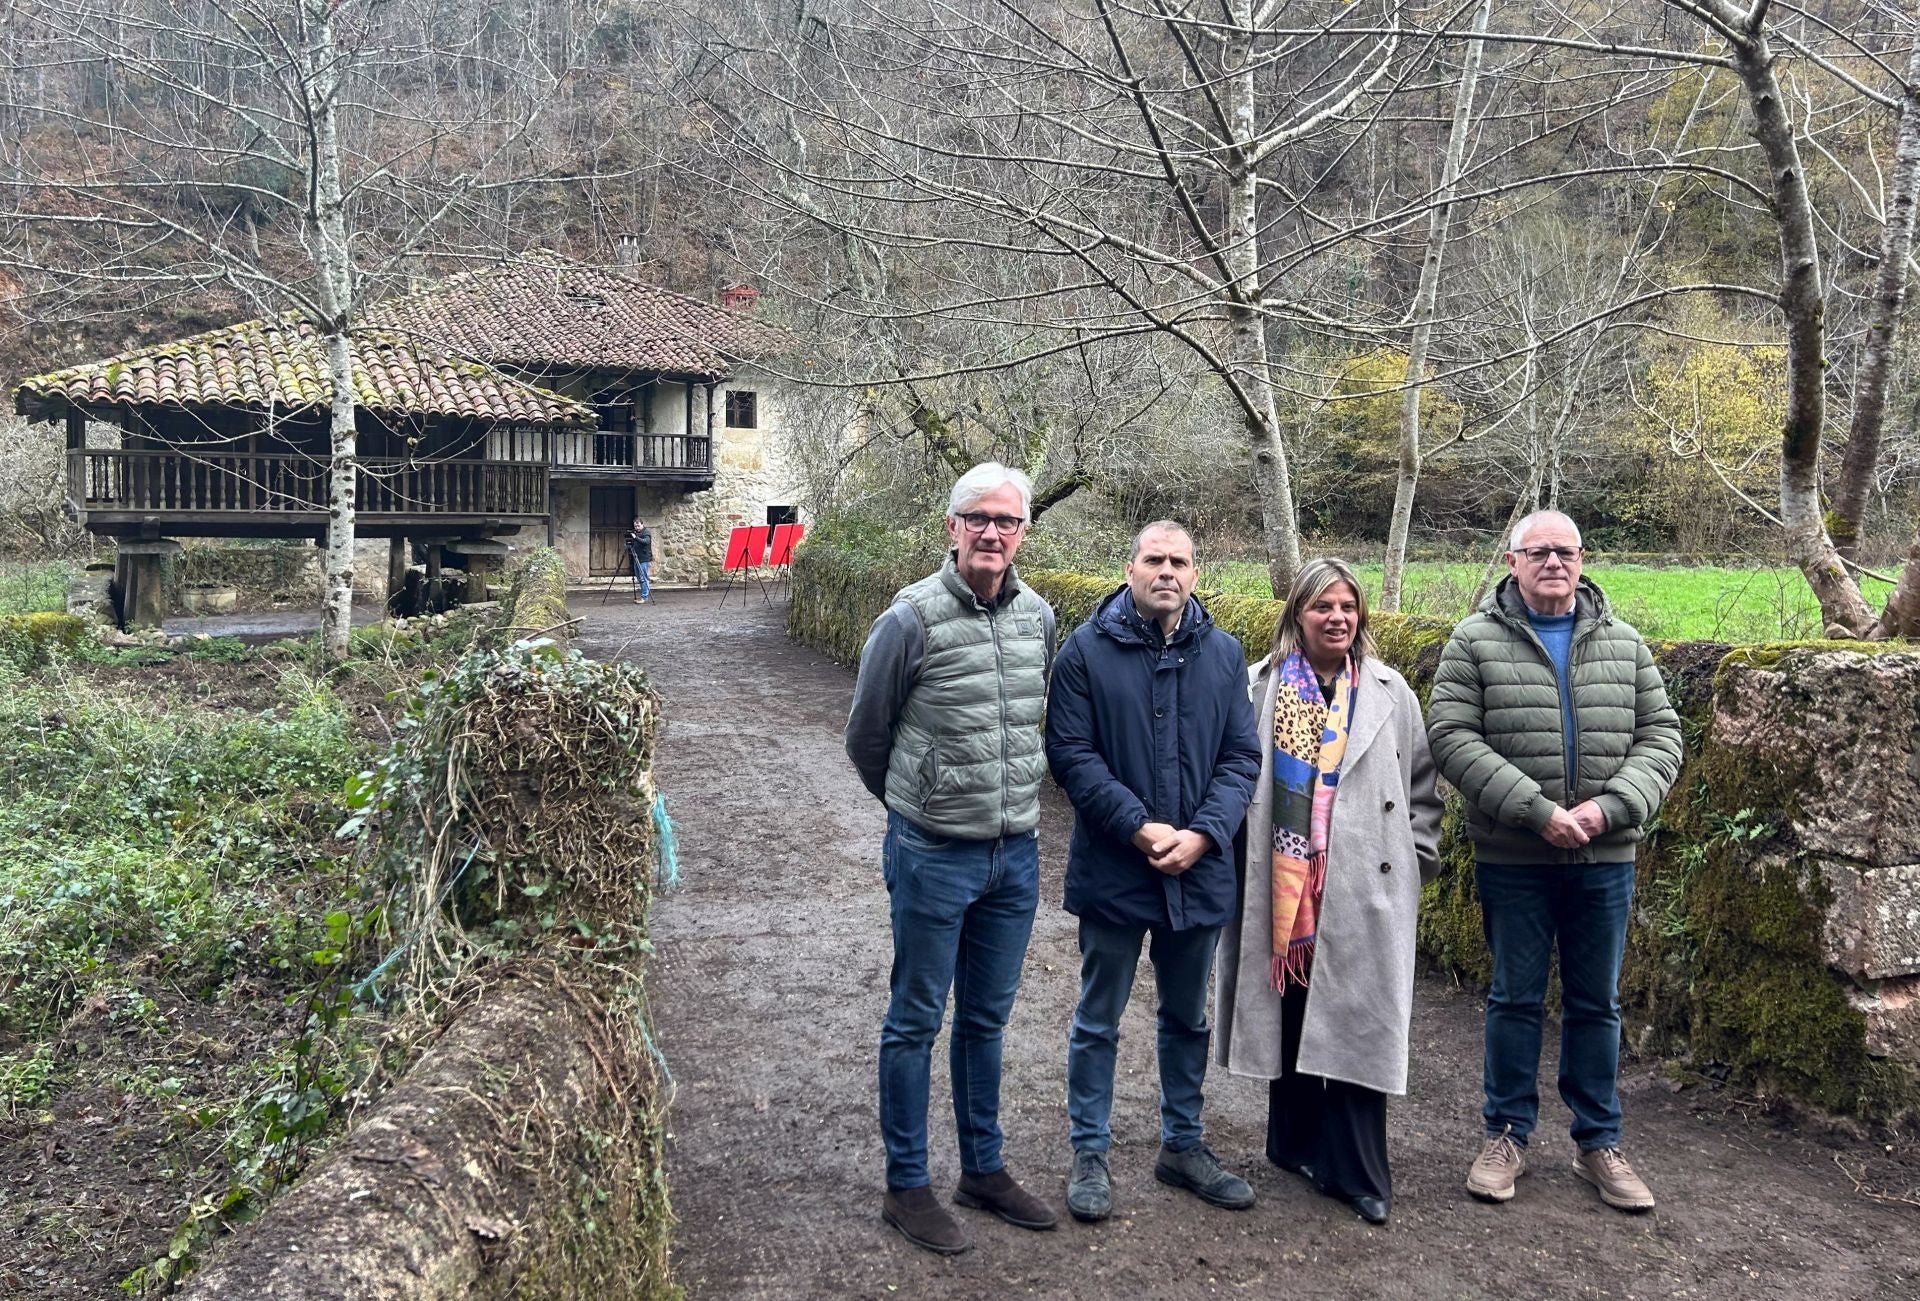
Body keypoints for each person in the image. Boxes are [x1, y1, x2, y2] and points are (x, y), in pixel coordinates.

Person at [1428, 510, 1683, 1212]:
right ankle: (1506, 1133)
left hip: (1606, 856)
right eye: (1537, 552)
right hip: (1515, 854)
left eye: (1564, 552)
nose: (1553, 563)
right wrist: (1538, 810)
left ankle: (1598, 1141)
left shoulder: (1625, 644)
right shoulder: (1473, 641)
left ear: (1583, 558)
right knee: (1514, 996)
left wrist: (1611, 808)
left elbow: (1662, 736)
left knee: (1596, 1001)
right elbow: (1451, 736)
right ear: (1511, 561)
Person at [844, 463, 1059, 1255]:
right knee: (914, 1020)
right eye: (978, 518)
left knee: (986, 1019)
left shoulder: (1039, 617)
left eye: (1007, 520)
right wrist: (916, 810)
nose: (993, 533)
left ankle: (984, 1168)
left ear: (1024, 532)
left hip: (1015, 856)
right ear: (952, 527)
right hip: (933, 853)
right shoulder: (911, 619)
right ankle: (907, 1184)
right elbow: (867, 736)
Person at [1044, 522, 1262, 1224]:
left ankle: (1183, 1144)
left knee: (1185, 1016)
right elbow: (1072, 754)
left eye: (1180, 561)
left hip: (1198, 869)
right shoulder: (1085, 650)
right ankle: (1089, 1152)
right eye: (1154, 559)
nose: (1166, 570)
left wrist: (1204, 833)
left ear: (1196, 572)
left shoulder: (1225, 654)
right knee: (1098, 1016)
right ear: (1130, 566)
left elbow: (1240, 757)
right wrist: (1138, 826)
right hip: (1115, 864)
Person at [1214, 557, 1443, 1226]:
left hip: (1365, 887)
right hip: (1281, 884)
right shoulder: (1258, 687)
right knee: (1290, 1011)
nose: (1337, 617)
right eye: (1323, 606)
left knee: (1356, 1023)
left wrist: (1413, 856)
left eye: (1348, 606)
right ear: (1298, 615)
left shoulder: (1390, 690)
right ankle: (1291, 1143)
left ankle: (1358, 1171)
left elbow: (1423, 783)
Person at [625, 517, 654, 603]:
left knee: (643, 577)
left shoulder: (646, 532)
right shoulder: (635, 533)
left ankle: (644, 597)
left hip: (644, 558)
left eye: (638, 526)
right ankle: (643, 595)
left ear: (642, 524)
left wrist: (635, 537)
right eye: (635, 526)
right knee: (639, 577)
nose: (636, 527)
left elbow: (646, 542)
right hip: (636, 557)